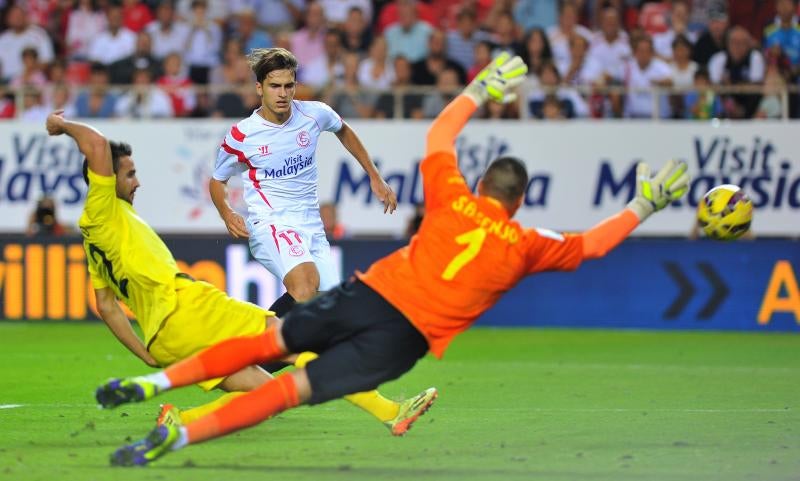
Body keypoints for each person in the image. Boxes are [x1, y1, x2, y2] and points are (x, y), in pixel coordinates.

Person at [95, 53, 691, 466]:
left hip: (371, 290)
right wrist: (645, 202)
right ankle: (176, 440)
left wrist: (479, 88)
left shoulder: (451, 197)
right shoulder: (526, 244)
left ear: (479, 184)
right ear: (521, 201)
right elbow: (592, 245)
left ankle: (152, 385)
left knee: (273, 339)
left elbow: (438, 136)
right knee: (289, 384)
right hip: (400, 340)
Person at [44, 109, 434, 435]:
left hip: (167, 338)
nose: (138, 181)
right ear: (105, 180)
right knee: (296, 342)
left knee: (272, 395)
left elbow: (107, 306)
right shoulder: (102, 209)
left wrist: (148, 354)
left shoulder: (94, 240)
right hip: (189, 309)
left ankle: (178, 422)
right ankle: (389, 412)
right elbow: (96, 145)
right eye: (129, 174)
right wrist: (60, 125)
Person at [208, 47, 396, 322]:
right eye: (275, 86)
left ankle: (251, 357)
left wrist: (374, 176)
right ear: (260, 88)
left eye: (289, 85)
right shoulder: (242, 135)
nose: (283, 94)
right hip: (271, 223)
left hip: (311, 226)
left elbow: (343, 129)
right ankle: (252, 346)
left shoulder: (314, 114)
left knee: (329, 311)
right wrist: (226, 212)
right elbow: (217, 180)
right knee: (305, 284)